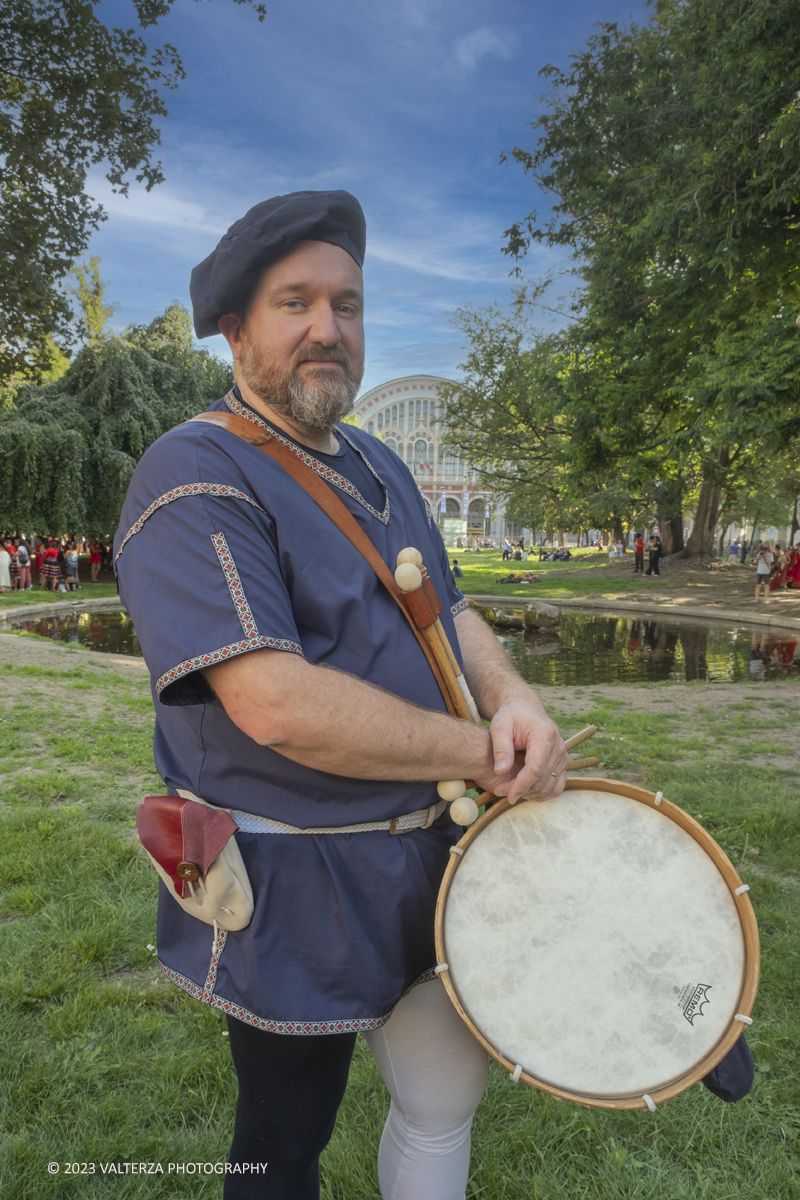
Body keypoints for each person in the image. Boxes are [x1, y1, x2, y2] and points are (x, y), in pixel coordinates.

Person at [113, 190, 568, 1200]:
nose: (328, 328)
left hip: (433, 859)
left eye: (348, 305)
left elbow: (450, 614)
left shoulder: (376, 462)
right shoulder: (194, 471)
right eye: (294, 303)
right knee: (282, 1138)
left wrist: (513, 700)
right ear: (235, 329)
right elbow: (273, 702)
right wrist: (479, 754)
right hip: (292, 886)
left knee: (441, 1104)